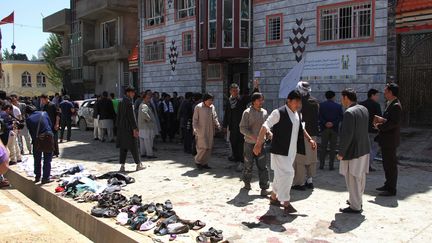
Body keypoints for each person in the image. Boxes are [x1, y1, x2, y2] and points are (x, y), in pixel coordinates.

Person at [253, 90, 317, 214]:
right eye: (296, 101)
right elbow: (265, 126)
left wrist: (310, 140)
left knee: (279, 175)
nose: (298, 104)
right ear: (288, 100)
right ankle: (286, 202)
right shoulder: (278, 112)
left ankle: (273, 197)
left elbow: (301, 128)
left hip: (291, 151)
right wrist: (258, 144)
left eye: (299, 102)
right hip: (280, 150)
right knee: (288, 174)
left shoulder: (297, 114)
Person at [337, 88, 370, 214]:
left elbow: (347, 136)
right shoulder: (364, 109)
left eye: (342, 98)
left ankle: (355, 205)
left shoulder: (349, 113)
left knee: (353, 178)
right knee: (360, 177)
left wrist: (341, 153)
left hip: (353, 151)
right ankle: (357, 200)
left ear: (346, 98)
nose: (341, 101)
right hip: (364, 148)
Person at [223, 81, 259, 172]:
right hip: (232, 127)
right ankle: (237, 158)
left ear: (238, 90)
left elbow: (252, 97)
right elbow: (227, 113)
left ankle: (242, 162)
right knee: (233, 142)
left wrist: (255, 87)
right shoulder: (229, 101)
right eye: (233, 91)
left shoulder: (242, 99)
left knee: (241, 145)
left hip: (242, 126)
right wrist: (224, 125)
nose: (235, 92)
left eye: (236, 90)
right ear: (230, 91)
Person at [239, 92, 270, 196]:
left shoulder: (265, 112)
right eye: (259, 100)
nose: (261, 102)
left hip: (262, 144)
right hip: (249, 144)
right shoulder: (247, 112)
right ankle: (247, 183)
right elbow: (242, 128)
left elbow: (267, 126)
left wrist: (269, 133)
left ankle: (264, 188)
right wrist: (252, 136)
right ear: (253, 101)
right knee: (248, 165)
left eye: (262, 100)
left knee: (263, 166)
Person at [374, 83, 402, 197]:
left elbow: (393, 123)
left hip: (390, 140)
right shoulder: (390, 104)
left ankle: (391, 189)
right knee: (386, 164)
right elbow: (389, 120)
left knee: (390, 165)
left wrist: (379, 126)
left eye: (385, 91)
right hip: (387, 140)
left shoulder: (396, 105)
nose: (384, 93)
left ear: (390, 92)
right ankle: (387, 184)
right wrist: (382, 119)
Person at [292, 82, 320, 190]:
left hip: (302, 134)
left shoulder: (298, 103)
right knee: (311, 159)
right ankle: (310, 181)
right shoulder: (315, 101)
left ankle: (300, 183)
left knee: (300, 160)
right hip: (313, 134)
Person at [116, 87, 144, 172]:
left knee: (123, 148)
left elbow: (118, 116)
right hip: (129, 129)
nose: (133, 94)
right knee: (134, 147)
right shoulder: (129, 102)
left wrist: (118, 127)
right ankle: (138, 165)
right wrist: (135, 128)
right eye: (132, 92)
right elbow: (132, 117)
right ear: (128, 93)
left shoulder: (121, 102)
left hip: (122, 129)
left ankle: (122, 166)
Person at [25, 105, 54, 184]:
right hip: (48, 137)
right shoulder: (44, 113)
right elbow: (50, 125)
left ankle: (37, 177)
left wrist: (35, 140)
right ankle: (45, 178)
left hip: (37, 139)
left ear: (28, 113)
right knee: (47, 159)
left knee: (37, 159)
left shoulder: (28, 119)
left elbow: (31, 132)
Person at [192, 93, 221, 169]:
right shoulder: (198, 107)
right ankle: (198, 161)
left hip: (210, 130)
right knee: (203, 147)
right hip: (201, 130)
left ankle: (204, 163)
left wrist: (218, 125)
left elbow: (215, 117)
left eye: (212, 100)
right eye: (210, 100)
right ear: (205, 100)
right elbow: (195, 120)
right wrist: (194, 129)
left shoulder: (212, 107)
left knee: (209, 147)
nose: (211, 102)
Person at [319, 91, 343, 170]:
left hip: (324, 128)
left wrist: (325, 123)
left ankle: (321, 165)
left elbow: (319, 116)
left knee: (323, 147)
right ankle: (331, 165)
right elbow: (340, 117)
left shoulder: (321, 105)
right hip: (334, 129)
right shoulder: (338, 106)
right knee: (333, 148)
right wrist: (333, 123)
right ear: (333, 97)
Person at [359, 89, 382, 171]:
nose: (378, 97)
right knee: (373, 148)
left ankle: (362, 165)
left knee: (364, 148)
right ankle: (367, 165)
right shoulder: (376, 105)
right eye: (377, 95)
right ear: (372, 95)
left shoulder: (361, 104)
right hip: (373, 130)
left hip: (362, 130)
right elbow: (379, 118)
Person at [137, 90, 157, 159]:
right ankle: (149, 154)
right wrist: (150, 120)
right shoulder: (144, 105)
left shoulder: (142, 104)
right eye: (148, 98)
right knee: (148, 140)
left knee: (142, 140)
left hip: (142, 126)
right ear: (145, 98)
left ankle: (143, 153)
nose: (149, 99)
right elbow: (145, 115)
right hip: (147, 126)